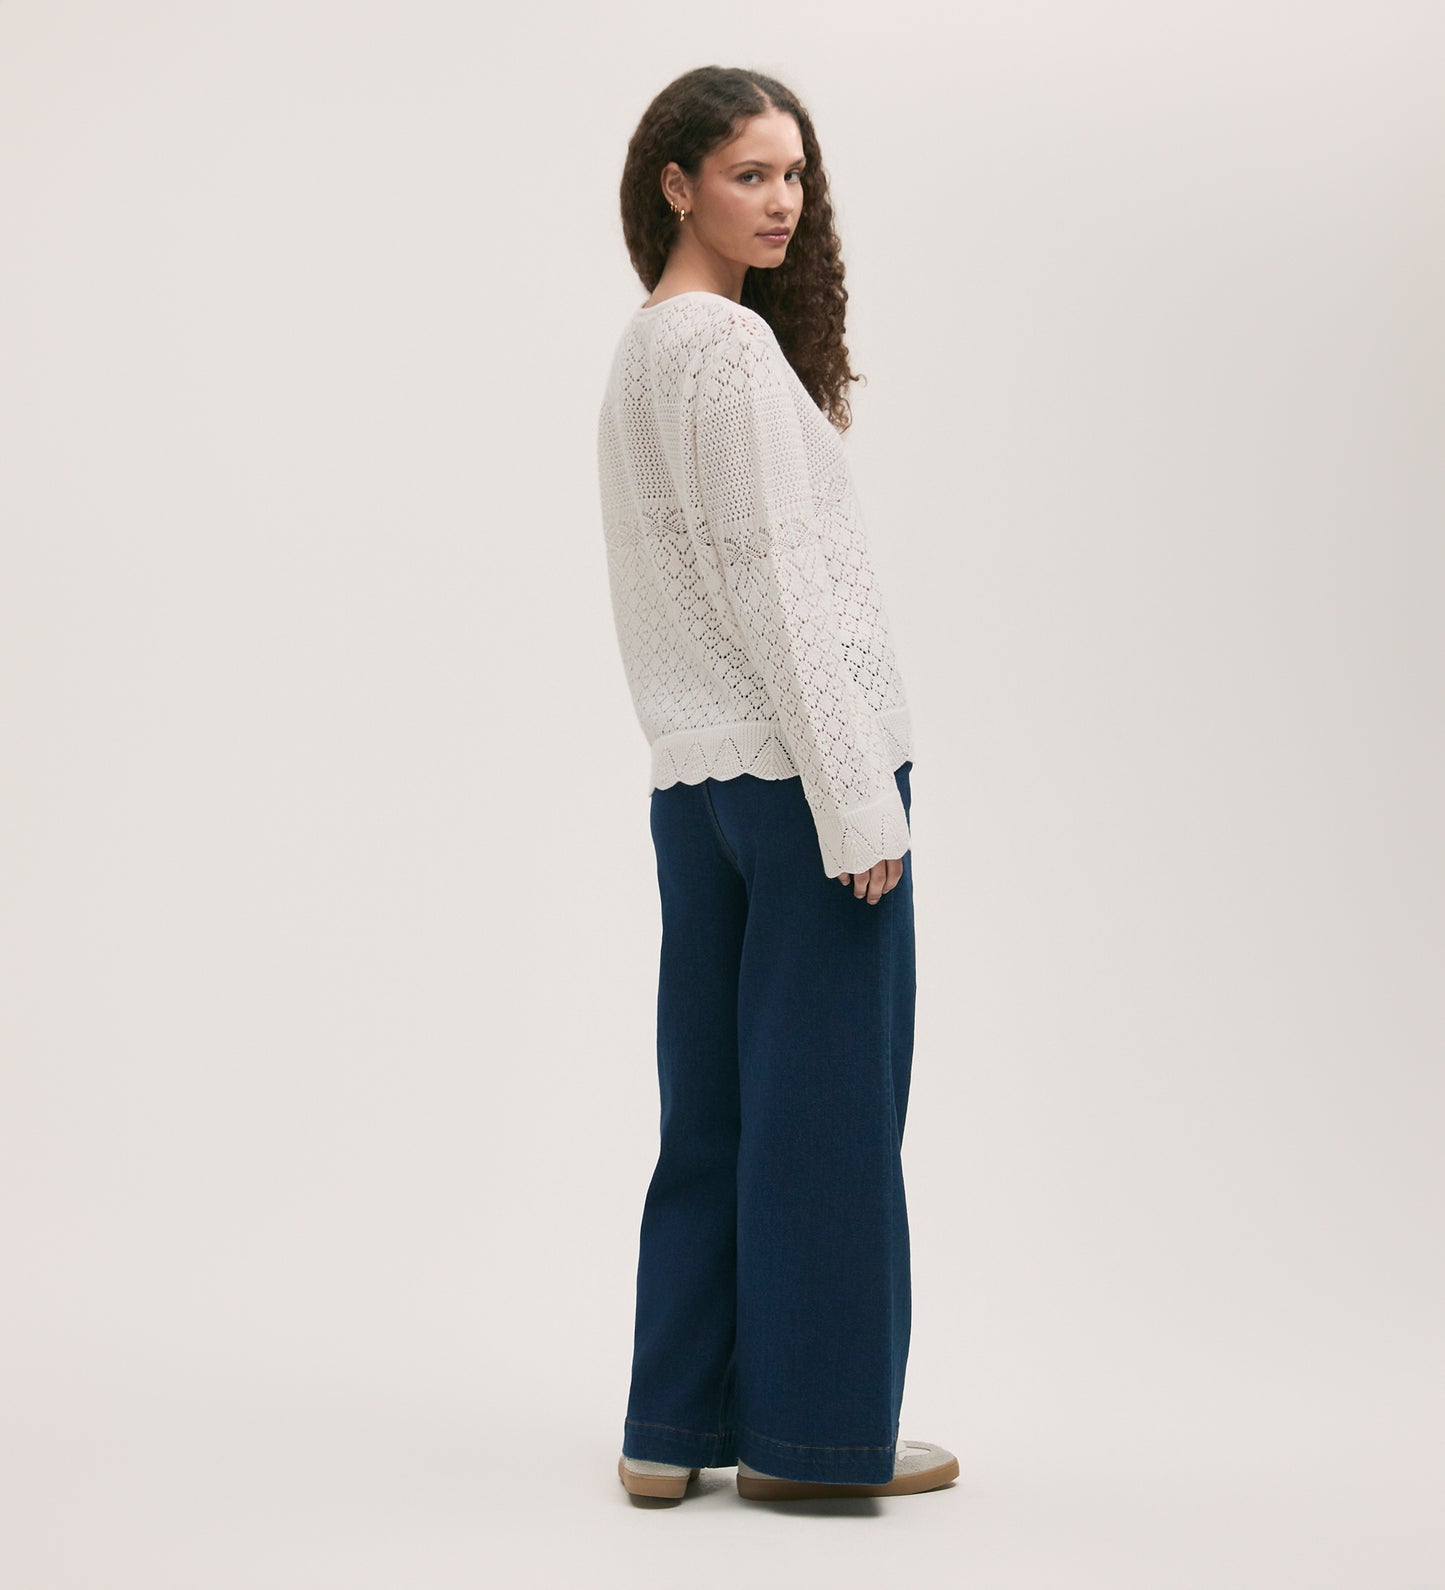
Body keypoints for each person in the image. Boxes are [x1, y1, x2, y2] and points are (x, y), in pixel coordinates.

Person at [597, 66, 958, 1503]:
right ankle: (814, 1441)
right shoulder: (724, 355)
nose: (781, 203)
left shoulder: (644, 348)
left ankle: (668, 1427)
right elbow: (774, 574)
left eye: (795, 177)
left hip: (697, 786)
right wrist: (856, 788)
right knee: (826, 1116)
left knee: (718, 1112)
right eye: (750, 173)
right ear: (674, 183)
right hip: (802, 776)